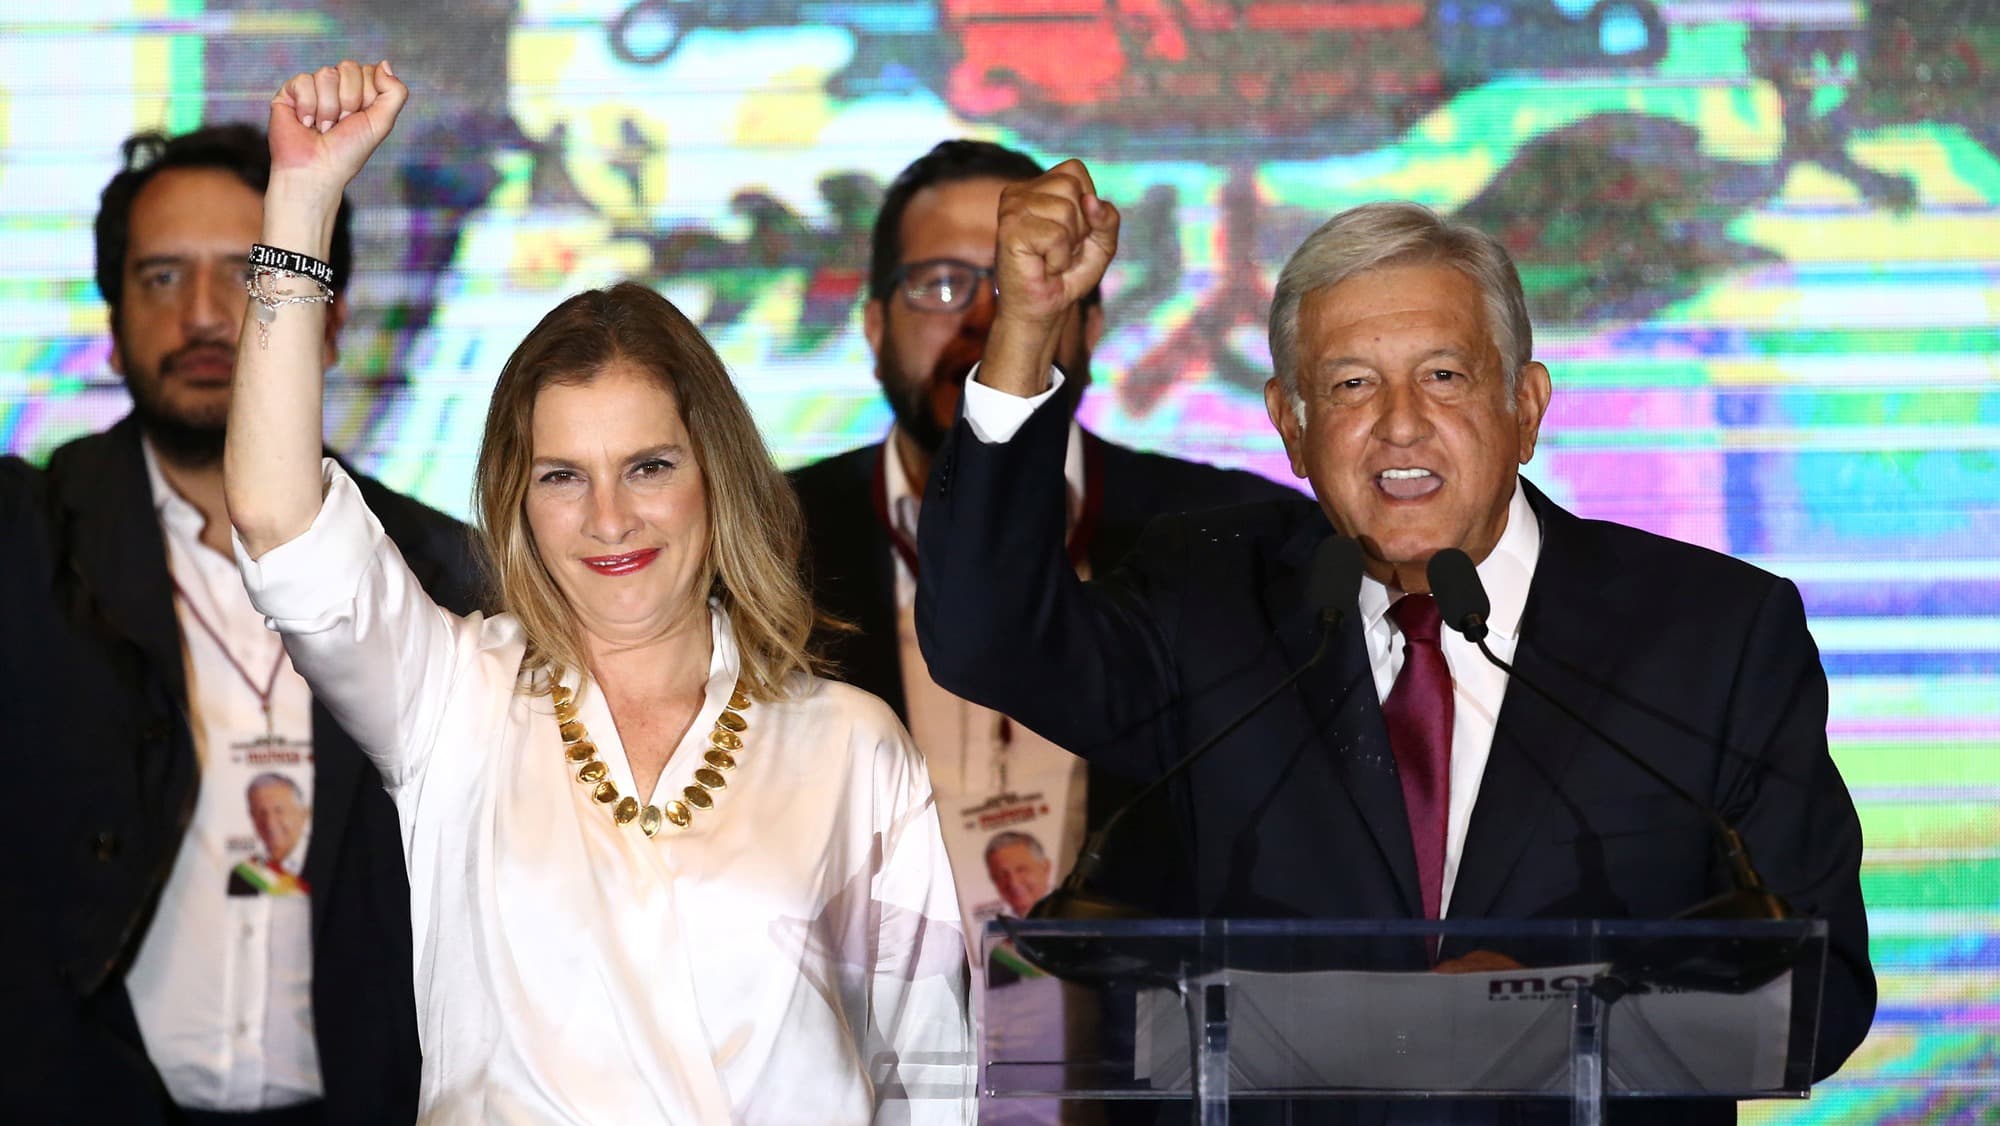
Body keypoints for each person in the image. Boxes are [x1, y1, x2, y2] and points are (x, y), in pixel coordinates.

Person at [913, 160, 1875, 1123]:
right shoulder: (1207, 605)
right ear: (1290, 428)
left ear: (1527, 408)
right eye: (1350, 385)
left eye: (1446, 377)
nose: (1400, 426)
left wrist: (1563, 1021)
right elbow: (982, 638)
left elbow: (1819, 988)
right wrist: (1029, 329)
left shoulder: (1713, 634)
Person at [223, 61, 972, 1123]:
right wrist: (301, 198)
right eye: (562, 476)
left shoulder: (852, 745)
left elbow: (933, 1081)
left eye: (649, 467)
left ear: (716, 473)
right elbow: (277, 520)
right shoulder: (453, 699)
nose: (609, 518)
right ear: (515, 500)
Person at [0, 123, 477, 1124]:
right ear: (115, 317)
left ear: (328, 318)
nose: (207, 317)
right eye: (163, 278)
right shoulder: (28, 546)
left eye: (249, 279)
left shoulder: (438, 572)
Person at [790, 140, 1295, 939]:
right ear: (874, 325)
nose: (989, 320)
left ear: (1089, 320)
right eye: (942, 285)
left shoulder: (1229, 535)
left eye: (1025, 281)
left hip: (1149, 1038)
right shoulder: (763, 540)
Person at [229, 774, 313, 896]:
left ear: (304, 815)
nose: (269, 822)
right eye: (261, 812)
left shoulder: (327, 862)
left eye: (279, 811)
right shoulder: (243, 875)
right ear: (252, 818)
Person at [982, 831, 1053, 919]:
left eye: (1021, 870)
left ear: (1045, 869)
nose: (1013, 883)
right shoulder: (995, 927)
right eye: (1001, 875)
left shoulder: (1070, 914)